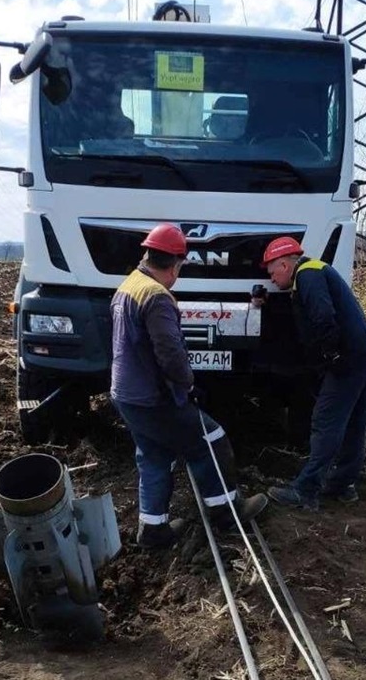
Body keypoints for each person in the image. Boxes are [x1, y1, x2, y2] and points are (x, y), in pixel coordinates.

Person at [111, 223, 268, 548]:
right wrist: (187, 384)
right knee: (211, 440)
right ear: (177, 263)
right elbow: (169, 351)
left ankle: (153, 530)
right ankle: (228, 514)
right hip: (152, 398)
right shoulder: (156, 296)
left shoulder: (129, 285)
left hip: (126, 395)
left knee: (154, 455)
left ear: (147, 254)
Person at [260, 236, 366, 512]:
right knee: (353, 421)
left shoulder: (308, 274)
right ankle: (342, 485)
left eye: (272, 272)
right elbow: (302, 315)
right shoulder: (311, 273)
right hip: (363, 352)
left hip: (347, 358)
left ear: (285, 264)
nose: (271, 279)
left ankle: (306, 490)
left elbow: (323, 317)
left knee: (326, 419)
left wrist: (330, 356)